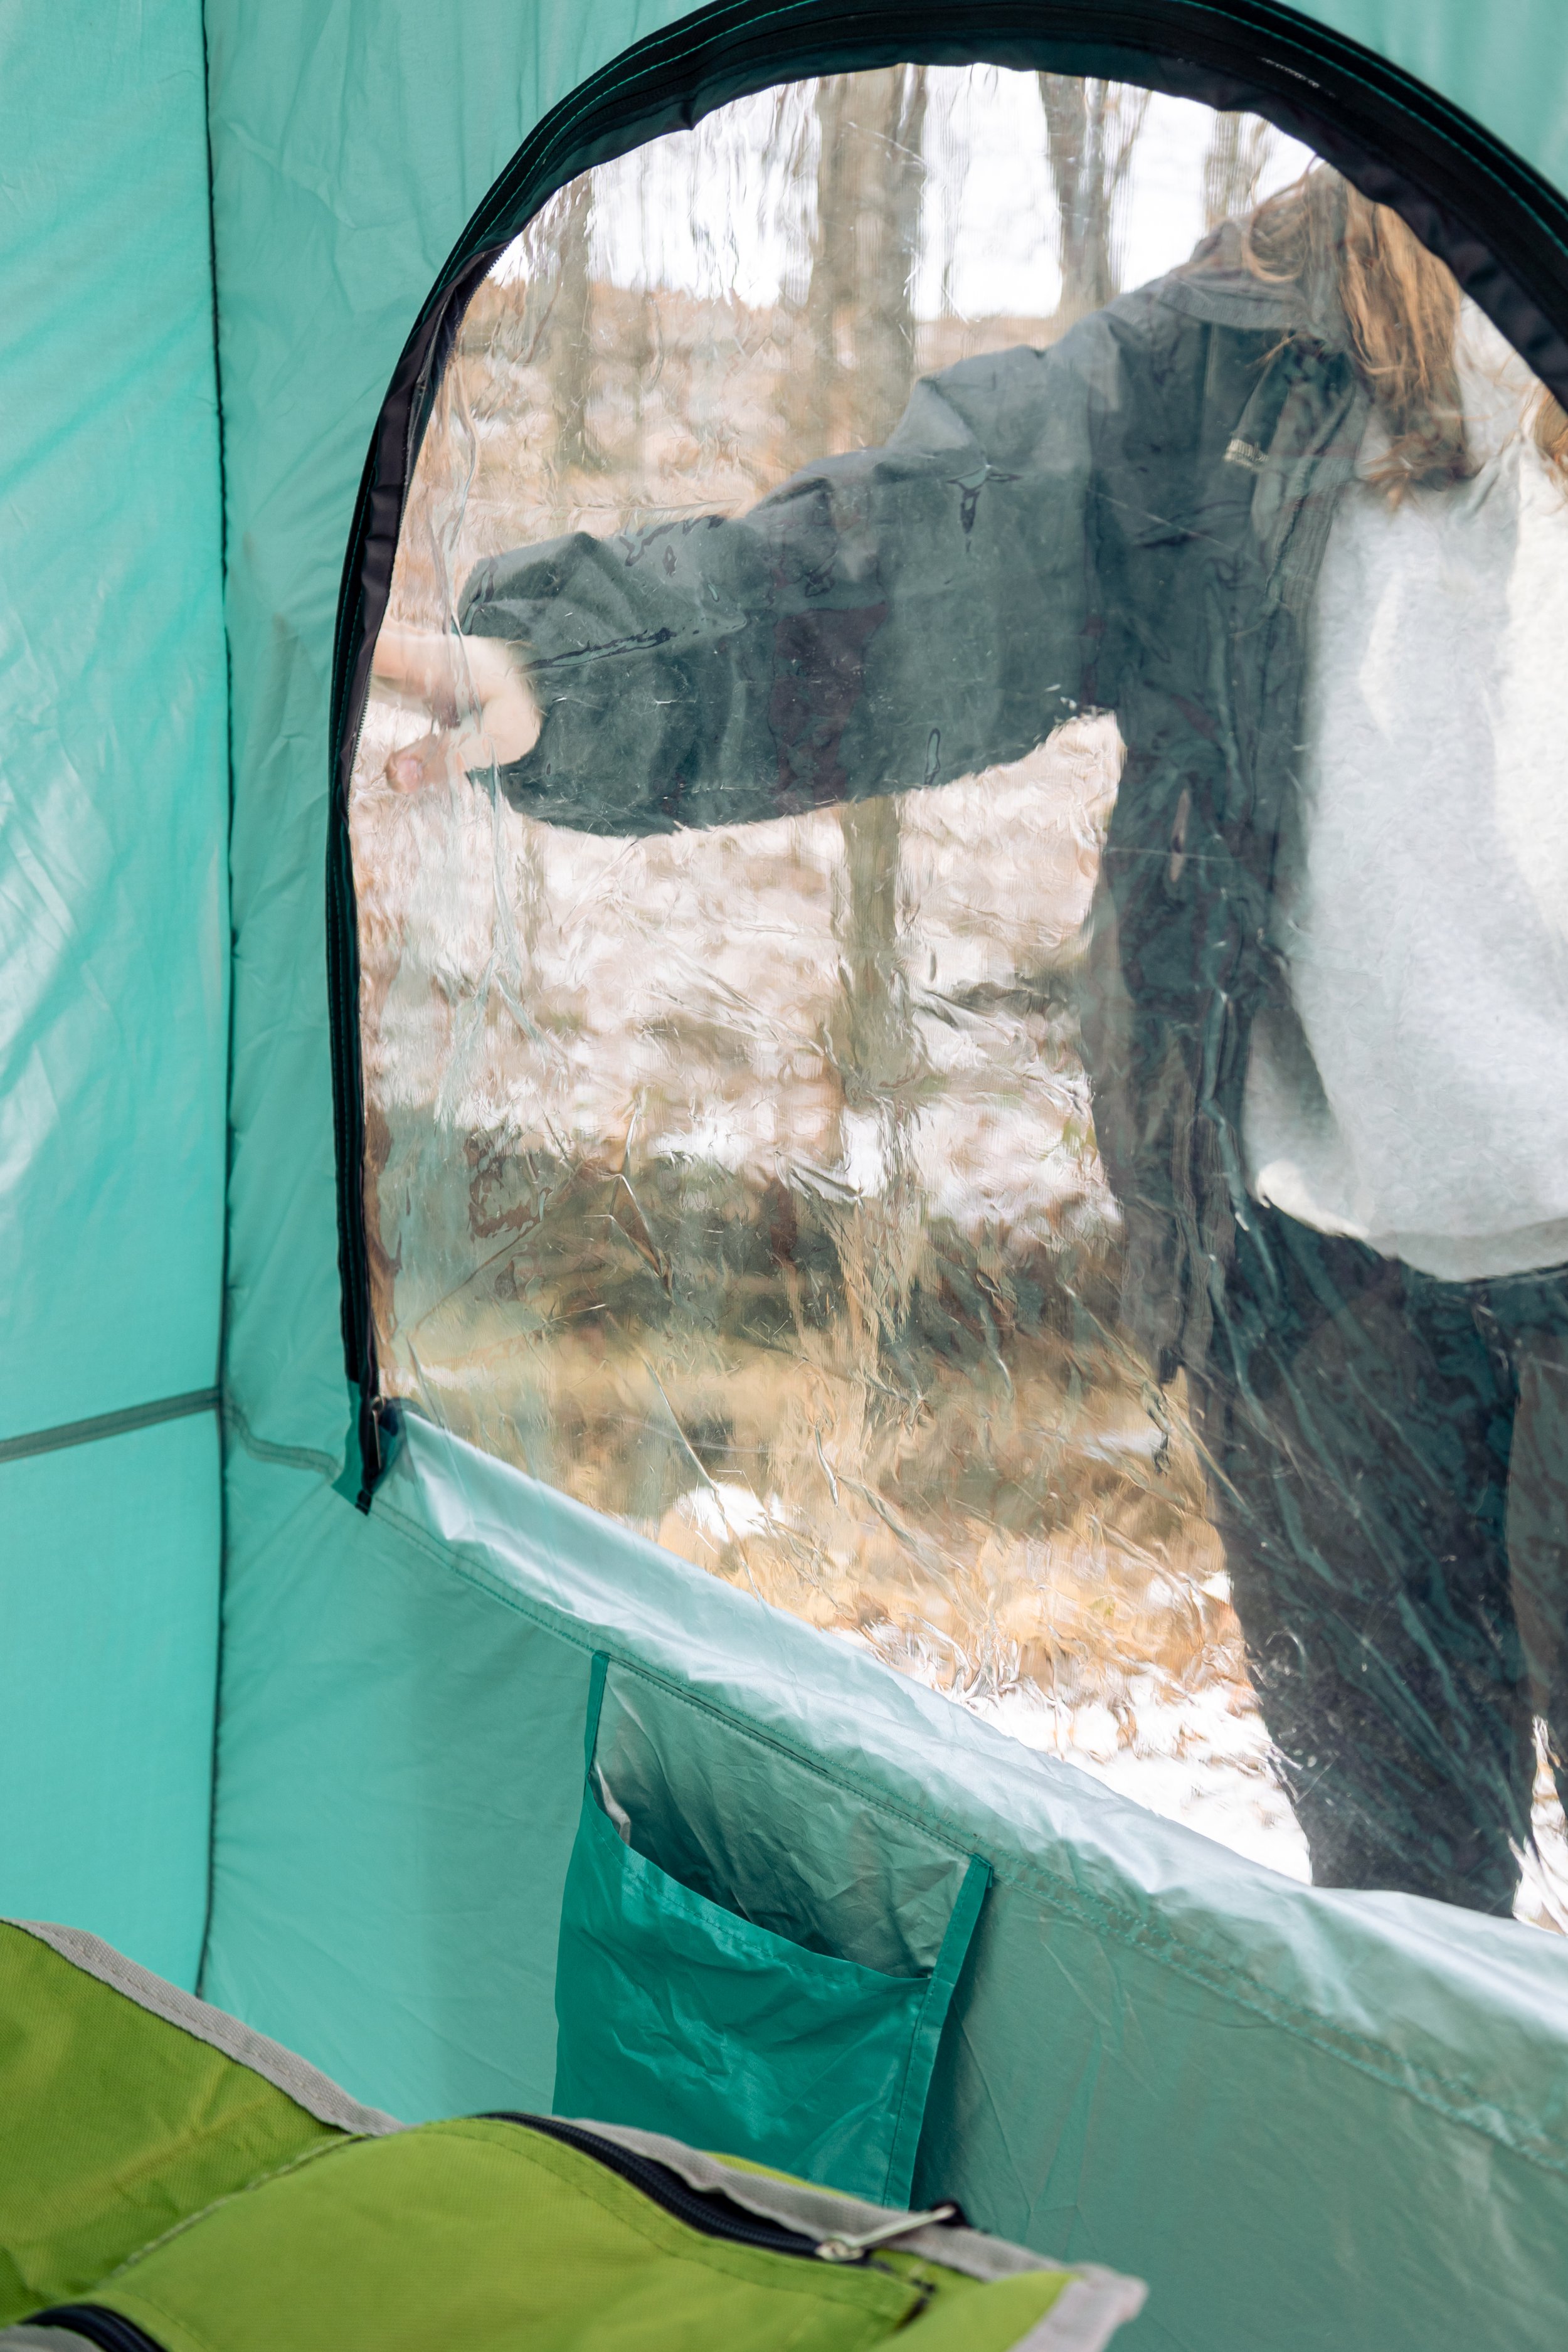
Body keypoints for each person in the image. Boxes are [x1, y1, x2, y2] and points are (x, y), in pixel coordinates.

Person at [371, 164, 1568, 1915]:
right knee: (1391, 1911)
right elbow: (927, 553)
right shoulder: (1259, 334)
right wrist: (572, 676)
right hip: (1324, 1287)